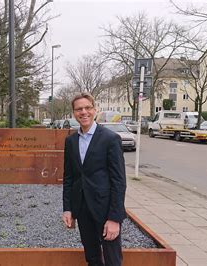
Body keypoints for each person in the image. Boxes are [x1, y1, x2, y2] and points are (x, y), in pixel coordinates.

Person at [62, 92, 127, 266]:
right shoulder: (70, 141)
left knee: (113, 261)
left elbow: (119, 181)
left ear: (95, 110)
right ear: (74, 113)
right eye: (79, 109)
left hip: (106, 211)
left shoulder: (110, 139)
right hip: (83, 209)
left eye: (87, 108)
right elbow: (69, 177)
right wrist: (68, 209)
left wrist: (115, 218)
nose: (83, 112)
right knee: (92, 259)